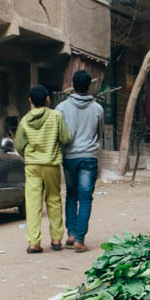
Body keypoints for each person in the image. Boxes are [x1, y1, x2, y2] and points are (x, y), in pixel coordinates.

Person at [15, 85, 72, 254]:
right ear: (48, 99)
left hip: (32, 166)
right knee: (54, 199)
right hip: (51, 164)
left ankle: (34, 243)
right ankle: (56, 239)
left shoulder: (24, 120)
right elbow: (66, 138)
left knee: (33, 203)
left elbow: (19, 145)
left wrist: (28, 154)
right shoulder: (56, 116)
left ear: (30, 101)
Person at [56, 69, 103, 253]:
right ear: (89, 86)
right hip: (89, 157)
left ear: (73, 86)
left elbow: (59, 134)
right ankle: (80, 240)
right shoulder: (98, 108)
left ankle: (72, 234)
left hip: (69, 157)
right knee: (85, 198)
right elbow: (99, 134)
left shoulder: (61, 108)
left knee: (72, 194)